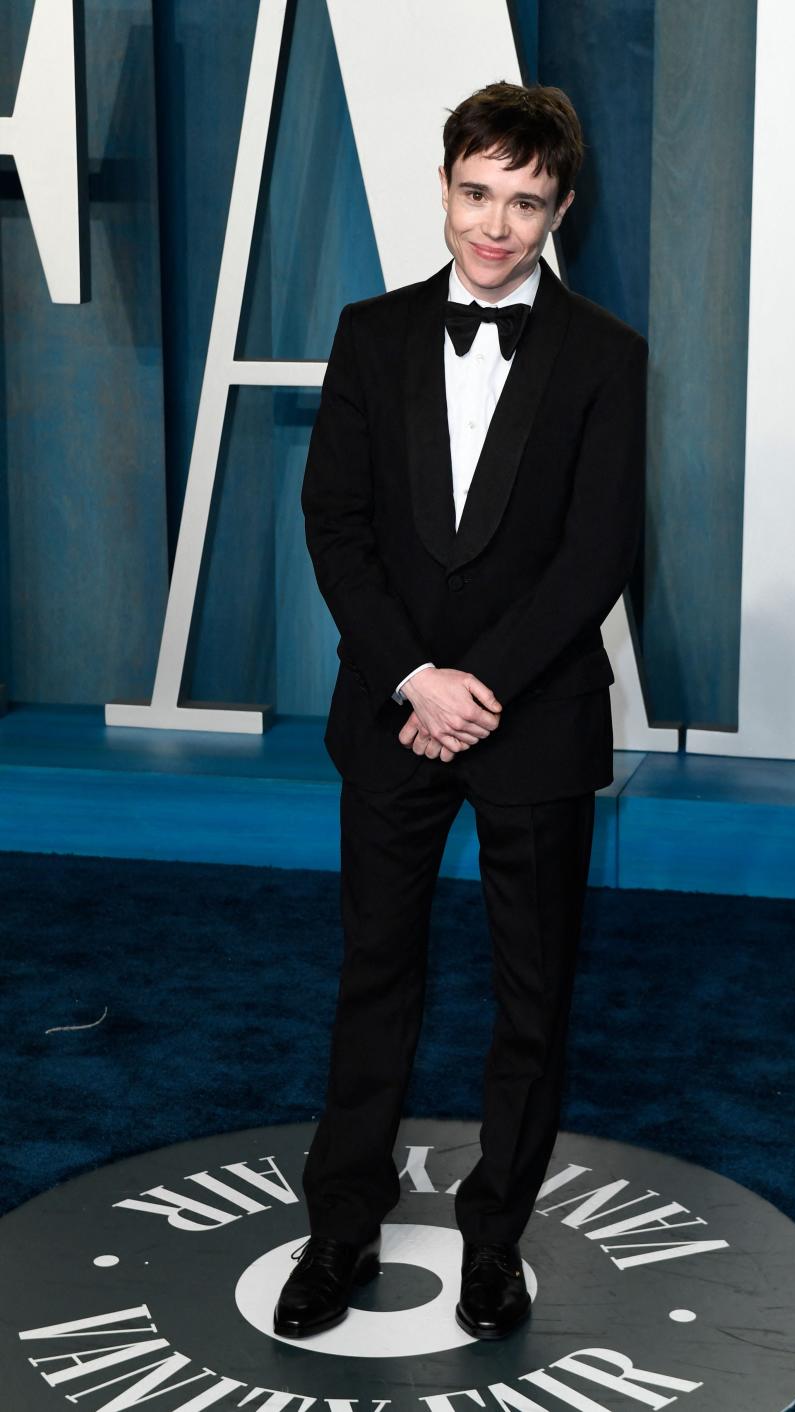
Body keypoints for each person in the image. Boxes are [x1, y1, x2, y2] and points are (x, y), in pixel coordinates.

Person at [274, 79, 647, 1342]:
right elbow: (337, 524)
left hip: (533, 717)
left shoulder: (607, 353)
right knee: (373, 973)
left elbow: (597, 552)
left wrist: (475, 688)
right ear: (444, 188)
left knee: (531, 993)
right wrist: (413, 681)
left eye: (525, 203)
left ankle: (497, 1243)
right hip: (393, 710)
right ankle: (338, 1232)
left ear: (561, 210)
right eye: (477, 194)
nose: (495, 225)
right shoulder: (369, 334)